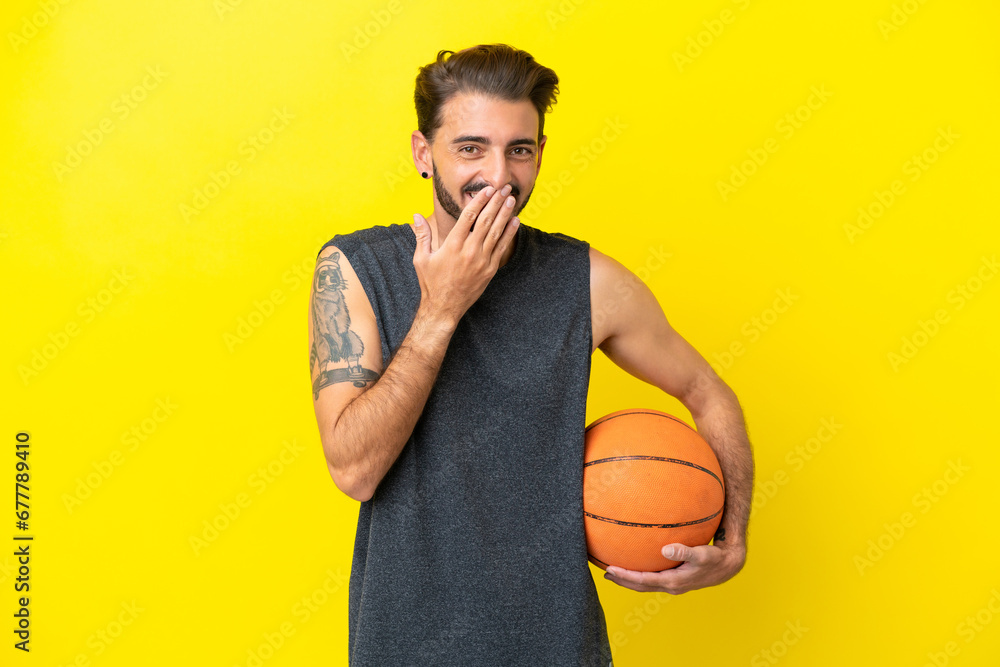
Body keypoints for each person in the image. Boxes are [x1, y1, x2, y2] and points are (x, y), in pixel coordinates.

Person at [309, 43, 754, 666]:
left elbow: (709, 392)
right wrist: (442, 307)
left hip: (558, 649)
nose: (498, 175)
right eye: (470, 148)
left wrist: (732, 541)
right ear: (422, 153)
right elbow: (353, 470)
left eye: (519, 149)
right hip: (404, 649)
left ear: (540, 154)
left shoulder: (589, 282)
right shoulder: (356, 268)